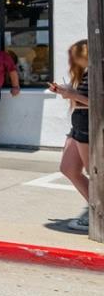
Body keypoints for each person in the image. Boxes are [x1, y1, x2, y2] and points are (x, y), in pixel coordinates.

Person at [49, 39, 91, 233]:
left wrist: (72, 94)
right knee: (68, 168)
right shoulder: (85, 74)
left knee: (95, 173)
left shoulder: (96, 72)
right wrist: (67, 93)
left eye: (75, 54)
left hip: (88, 129)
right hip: (79, 127)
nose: (72, 59)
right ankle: (97, 207)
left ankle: (98, 212)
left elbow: (97, 102)